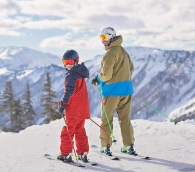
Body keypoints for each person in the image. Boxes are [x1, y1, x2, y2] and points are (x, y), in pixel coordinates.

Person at [91, 27, 137, 156]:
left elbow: (106, 75)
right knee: (125, 119)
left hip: (112, 92)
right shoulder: (123, 51)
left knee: (107, 119)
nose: (103, 41)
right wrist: (123, 78)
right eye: (101, 38)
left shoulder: (110, 54)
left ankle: (105, 147)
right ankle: (129, 146)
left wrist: (97, 79)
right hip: (126, 90)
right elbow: (131, 68)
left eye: (105, 37)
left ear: (112, 37)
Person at [57, 49, 90, 163]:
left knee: (67, 131)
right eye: (65, 62)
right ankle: (82, 152)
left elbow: (69, 93)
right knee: (80, 130)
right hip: (83, 109)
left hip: (74, 110)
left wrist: (62, 104)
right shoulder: (80, 74)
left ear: (76, 61)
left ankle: (65, 154)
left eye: (70, 62)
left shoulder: (71, 76)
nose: (68, 65)